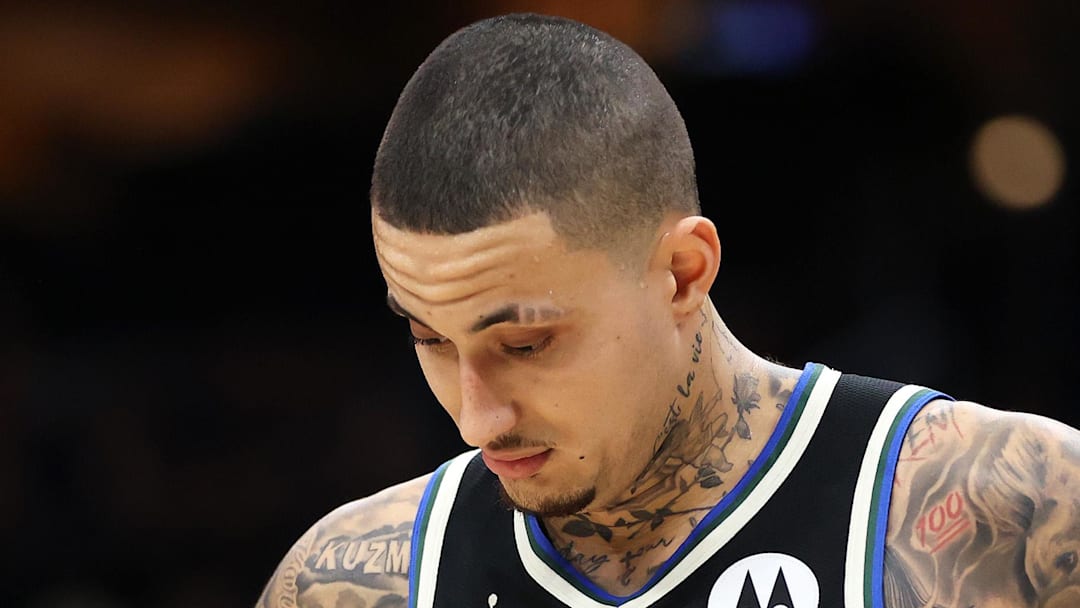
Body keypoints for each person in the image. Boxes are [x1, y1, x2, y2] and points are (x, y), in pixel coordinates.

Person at [257, 13, 1080, 608]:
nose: (478, 419)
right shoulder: (349, 581)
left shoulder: (1010, 512)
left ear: (684, 273)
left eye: (529, 343)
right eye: (430, 338)